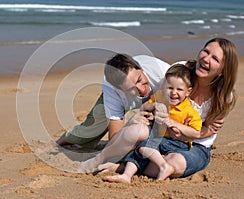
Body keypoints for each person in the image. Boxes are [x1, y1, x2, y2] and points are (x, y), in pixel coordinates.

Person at [98, 37, 238, 180]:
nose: (206, 59)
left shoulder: (224, 96)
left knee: (174, 164)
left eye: (215, 58)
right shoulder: (180, 71)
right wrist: (144, 116)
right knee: (137, 135)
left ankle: (123, 167)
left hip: (195, 144)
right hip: (162, 133)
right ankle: (126, 163)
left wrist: (185, 134)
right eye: (205, 51)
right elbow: (160, 104)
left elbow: (209, 130)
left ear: (223, 70)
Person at [103, 63, 202, 183]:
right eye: (170, 88)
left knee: (144, 147)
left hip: (178, 143)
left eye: (179, 89)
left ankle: (163, 166)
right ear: (164, 86)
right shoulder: (160, 96)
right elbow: (144, 107)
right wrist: (153, 105)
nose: (173, 93)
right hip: (158, 137)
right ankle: (126, 175)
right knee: (139, 151)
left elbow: (196, 132)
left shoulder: (189, 111)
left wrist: (173, 124)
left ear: (188, 92)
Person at [56, 54, 170, 150]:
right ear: (120, 89)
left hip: (162, 93)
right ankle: (59, 143)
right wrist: (130, 124)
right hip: (118, 97)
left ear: (140, 69)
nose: (140, 89)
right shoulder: (112, 91)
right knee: (91, 128)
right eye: (131, 88)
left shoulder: (162, 72)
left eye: (139, 80)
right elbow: (114, 137)